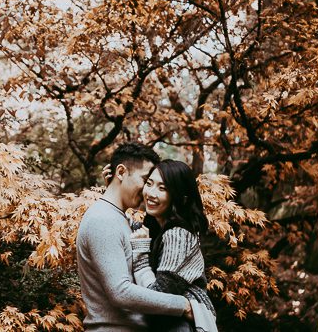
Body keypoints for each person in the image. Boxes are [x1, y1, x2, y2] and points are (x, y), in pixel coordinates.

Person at [76, 142, 193, 331]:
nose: (148, 190)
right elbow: (120, 292)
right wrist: (183, 305)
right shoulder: (103, 219)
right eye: (146, 181)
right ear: (121, 172)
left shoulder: (117, 217)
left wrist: (113, 187)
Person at [130, 159, 218, 332]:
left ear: (180, 197)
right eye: (149, 183)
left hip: (179, 326)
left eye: (162, 188)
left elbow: (157, 296)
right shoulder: (160, 229)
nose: (151, 193)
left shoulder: (177, 235)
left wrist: (140, 251)